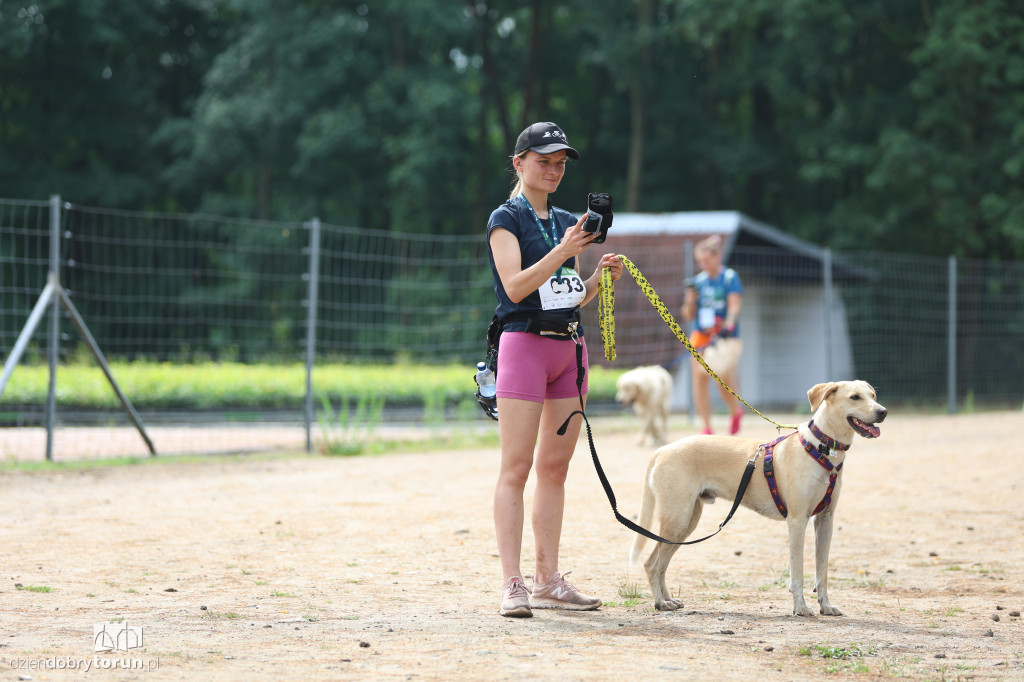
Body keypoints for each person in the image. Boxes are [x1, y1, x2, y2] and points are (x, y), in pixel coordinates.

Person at [486, 121, 623, 618]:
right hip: (523, 347)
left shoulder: (566, 218)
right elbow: (517, 287)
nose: (554, 169)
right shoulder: (506, 219)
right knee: (516, 469)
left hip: (569, 348)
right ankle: (513, 583)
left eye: (561, 162)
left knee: (555, 469)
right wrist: (565, 250)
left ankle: (548, 579)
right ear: (519, 162)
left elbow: (567, 295)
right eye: (544, 160)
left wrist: (597, 277)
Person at [680, 235, 744, 435]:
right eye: (701, 261)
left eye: (707, 260)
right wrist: (690, 300)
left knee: (723, 380)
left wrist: (728, 325)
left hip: (723, 337)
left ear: (717, 257)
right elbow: (688, 314)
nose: (704, 265)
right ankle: (706, 426)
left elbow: (734, 307)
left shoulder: (729, 278)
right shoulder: (698, 282)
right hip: (701, 336)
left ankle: (735, 411)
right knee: (699, 379)